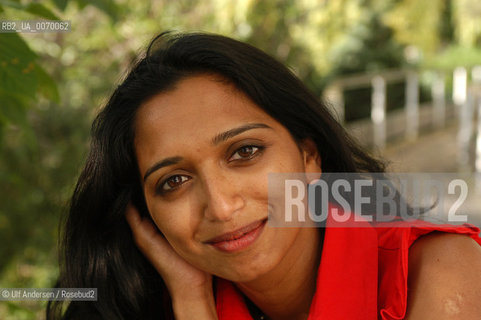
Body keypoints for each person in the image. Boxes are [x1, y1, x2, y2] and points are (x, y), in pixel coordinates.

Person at [47, 32, 481, 320]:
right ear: (147, 215)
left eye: (245, 152)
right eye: (173, 182)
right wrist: (193, 299)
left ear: (309, 158)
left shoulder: (443, 272)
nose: (220, 205)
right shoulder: (150, 303)